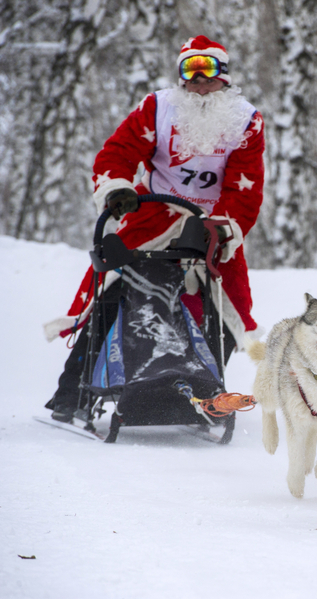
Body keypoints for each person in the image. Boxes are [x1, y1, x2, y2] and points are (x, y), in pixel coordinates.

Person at [44, 36, 266, 423]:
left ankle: (204, 394)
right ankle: (72, 393)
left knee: (229, 309)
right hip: (153, 214)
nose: (199, 83)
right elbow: (118, 152)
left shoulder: (246, 120)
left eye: (209, 73)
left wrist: (226, 228)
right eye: (191, 73)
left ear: (224, 78)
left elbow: (245, 184)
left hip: (214, 226)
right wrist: (119, 190)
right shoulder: (157, 108)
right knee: (110, 288)